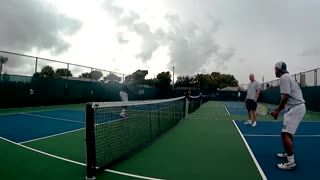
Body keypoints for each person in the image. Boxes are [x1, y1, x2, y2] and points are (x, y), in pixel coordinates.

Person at [270, 61, 305, 170]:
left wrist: (277, 111)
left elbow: (285, 97)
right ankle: (287, 153)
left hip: (296, 108)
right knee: (286, 134)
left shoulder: (284, 78)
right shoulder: (288, 77)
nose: (274, 71)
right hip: (296, 108)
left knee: (285, 134)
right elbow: (285, 98)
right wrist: (277, 110)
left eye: (275, 69)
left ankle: (291, 162)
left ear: (279, 70)